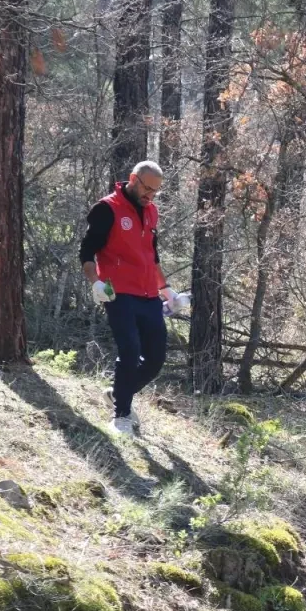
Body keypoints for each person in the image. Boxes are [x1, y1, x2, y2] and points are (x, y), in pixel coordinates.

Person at [79, 161, 187, 436]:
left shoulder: (151, 212)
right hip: (118, 293)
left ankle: (117, 393)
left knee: (155, 360)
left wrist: (168, 291)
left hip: (149, 295)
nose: (150, 195)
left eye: (155, 191)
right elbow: (87, 251)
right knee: (129, 350)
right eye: (147, 188)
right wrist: (96, 283)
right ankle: (121, 416)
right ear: (133, 179)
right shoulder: (107, 208)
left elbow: (152, 257)